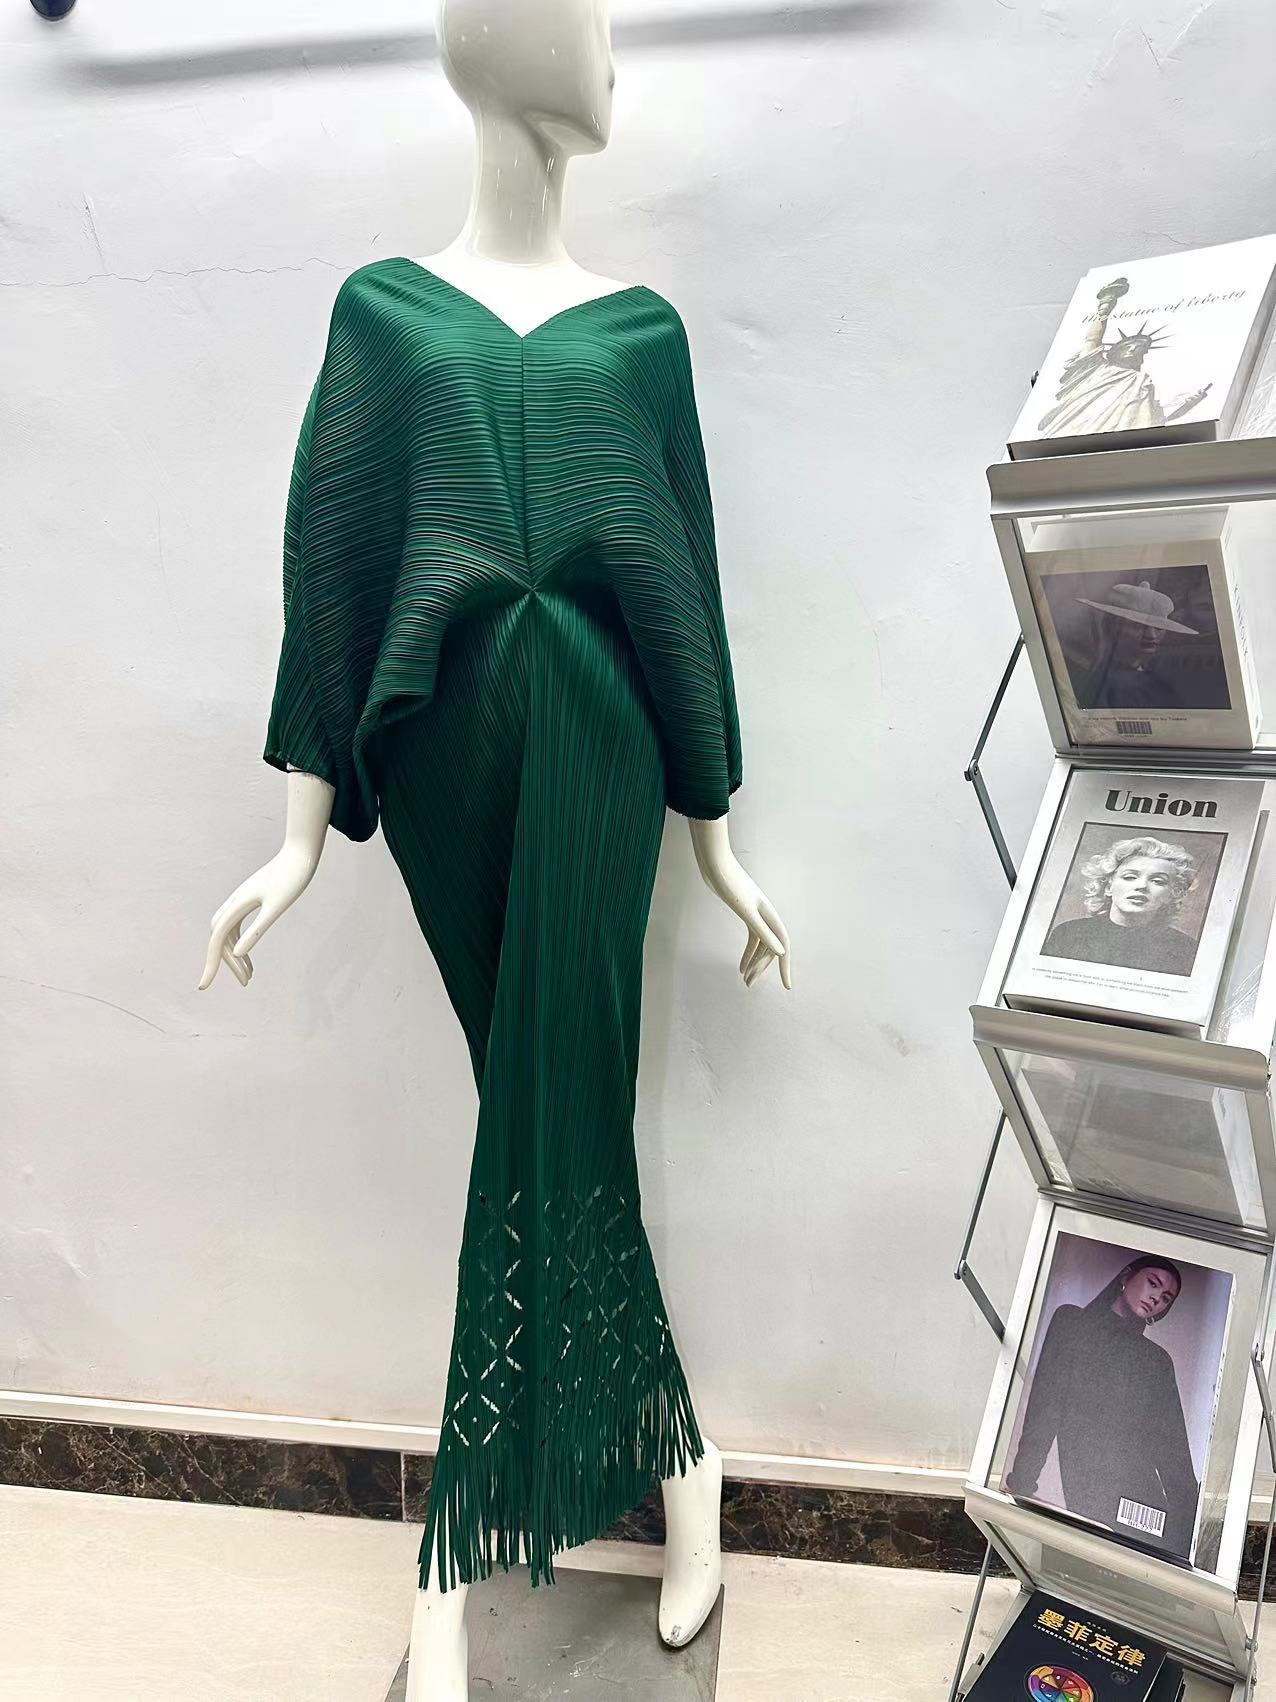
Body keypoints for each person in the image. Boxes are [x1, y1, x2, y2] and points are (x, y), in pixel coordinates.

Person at [1004, 1255, 1201, 1558]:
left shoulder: (1156, 1361)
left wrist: (1190, 1536)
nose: (1156, 1299)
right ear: (1126, 1276)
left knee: (1138, 1570)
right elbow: (1044, 1409)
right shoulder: (1071, 1323)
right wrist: (1021, 1484)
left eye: (1165, 1298)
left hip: (1144, 1500)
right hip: (1090, 1489)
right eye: (1153, 1283)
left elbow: (1173, 1450)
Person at [1036, 274, 1212, 439]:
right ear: (1114, 351)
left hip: (1121, 443)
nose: (1134, 350)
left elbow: (1154, 418)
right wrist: (1106, 304)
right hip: (1074, 429)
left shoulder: (1141, 380)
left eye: (1140, 349)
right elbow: (1092, 339)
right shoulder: (1095, 367)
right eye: (1129, 346)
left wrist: (1187, 402)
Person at [1042, 835, 1199, 975]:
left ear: (1171, 894)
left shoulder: (1185, 948)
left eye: (1157, 881)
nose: (1142, 886)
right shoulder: (1068, 933)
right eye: (1130, 877)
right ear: (1108, 886)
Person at [1062, 578, 1200, 712]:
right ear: (1113, 626)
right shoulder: (1106, 679)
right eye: (1137, 626)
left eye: (1159, 628)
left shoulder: (1155, 680)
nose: (1151, 635)